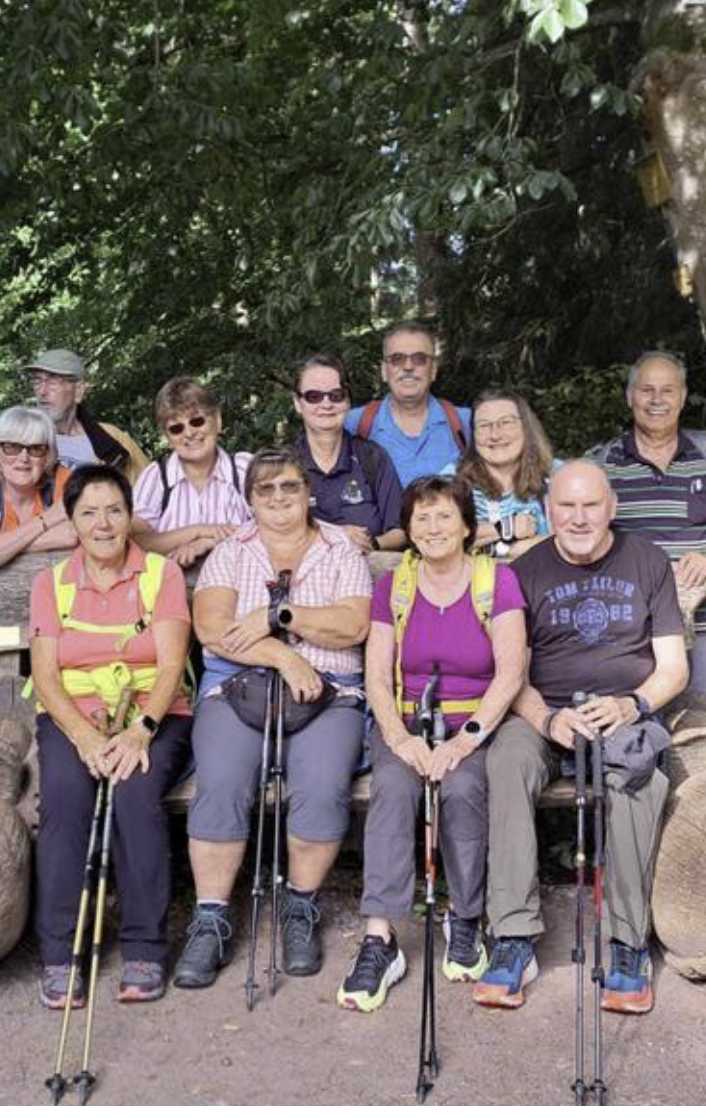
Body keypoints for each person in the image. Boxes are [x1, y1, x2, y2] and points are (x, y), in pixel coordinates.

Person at [472, 461, 688, 1014]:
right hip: (546, 710)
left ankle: (625, 942)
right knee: (509, 761)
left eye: (590, 505)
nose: (578, 517)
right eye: (566, 506)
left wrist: (631, 704)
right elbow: (509, 671)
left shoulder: (647, 561)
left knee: (639, 779)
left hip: (624, 709)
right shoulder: (523, 571)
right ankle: (514, 937)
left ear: (611, 507)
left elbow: (672, 668)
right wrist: (546, 721)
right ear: (548, 511)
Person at [173, 449, 373, 989]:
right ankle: (211, 916)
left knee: (324, 783)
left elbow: (352, 626)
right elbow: (214, 629)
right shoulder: (231, 553)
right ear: (251, 499)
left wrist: (278, 616)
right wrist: (285, 654)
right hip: (239, 689)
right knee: (220, 780)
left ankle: (300, 904)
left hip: (330, 692)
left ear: (308, 492)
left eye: (289, 487)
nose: (280, 498)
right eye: (266, 490)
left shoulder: (340, 550)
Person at [337, 476, 528, 1011]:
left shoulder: (497, 582)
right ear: (409, 528)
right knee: (394, 791)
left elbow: (510, 674)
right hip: (405, 724)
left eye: (445, 515)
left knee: (465, 789)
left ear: (468, 525)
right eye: (421, 517)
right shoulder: (393, 587)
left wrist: (464, 742)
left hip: (475, 724)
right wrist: (398, 740)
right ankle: (380, 938)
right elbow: (375, 676)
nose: (433, 526)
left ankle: (465, 918)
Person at [29, 465, 195, 1007]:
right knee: (64, 798)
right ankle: (61, 952)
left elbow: (172, 663)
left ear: (130, 516)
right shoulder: (51, 583)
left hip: (154, 715)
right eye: (89, 513)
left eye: (114, 511)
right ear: (73, 521)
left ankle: (145, 946)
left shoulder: (159, 574)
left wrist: (141, 732)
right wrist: (80, 735)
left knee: (136, 793)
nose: (103, 524)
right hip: (74, 718)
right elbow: (46, 677)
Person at [594, 351, 706, 697]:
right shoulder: (603, 463)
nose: (657, 400)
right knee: (634, 728)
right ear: (630, 396)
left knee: (704, 725)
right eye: (646, 390)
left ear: (682, 396)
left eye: (667, 390)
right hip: (628, 630)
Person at [0, 406, 76, 693]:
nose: (23, 458)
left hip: (65, 612)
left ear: (48, 456)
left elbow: (74, 534)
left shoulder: (65, 481)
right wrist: (47, 520)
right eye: (11, 447)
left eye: (36, 449)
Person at [130, 377, 253, 568]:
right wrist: (198, 531)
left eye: (197, 421)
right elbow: (136, 540)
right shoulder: (156, 477)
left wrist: (209, 543)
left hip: (242, 587)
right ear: (168, 437)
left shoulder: (245, 468)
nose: (189, 433)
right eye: (176, 428)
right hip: (173, 588)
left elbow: (278, 525)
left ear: (218, 420)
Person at [290, 353, 406, 552]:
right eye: (313, 396)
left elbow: (400, 530)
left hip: (368, 573)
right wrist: (335, 536)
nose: (326, 404)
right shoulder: (283, 465)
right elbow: (269, 530)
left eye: (336, 395)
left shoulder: (371, 457)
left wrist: (372, 543)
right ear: (297, 403)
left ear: (348, 402)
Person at [345, 321, 471, 486]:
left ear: (433, 369)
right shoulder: (354, 424)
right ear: (384, 371)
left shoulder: (465, 422)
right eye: (397, 359)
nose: (408, 367)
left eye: (419, 359)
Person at [448, 389, 559, 560]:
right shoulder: (451, 479)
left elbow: (580, 535)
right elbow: (436, 534)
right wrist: (506, 529)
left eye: (506, 422)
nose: (495, 435)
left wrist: (489, 544)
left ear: (526, 427)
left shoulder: (559, 475)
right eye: (484, 425)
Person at [23, 347, 151, 479]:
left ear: (78, 391)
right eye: (37, 381)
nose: (42, 392)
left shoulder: (112, 439)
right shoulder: (22, 442)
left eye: (53, 381)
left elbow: (153, 489)